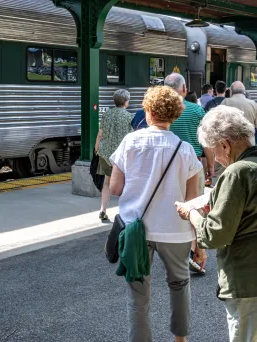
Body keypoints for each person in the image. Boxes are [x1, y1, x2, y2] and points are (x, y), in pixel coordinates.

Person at [110, 86, 203, 342]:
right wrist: (199, 244)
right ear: (174, 115)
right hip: (176, 230)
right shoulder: (185, 149)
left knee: (138, 295)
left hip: (136, 231)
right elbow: (193, 200)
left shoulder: (130, 142)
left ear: (148, 112)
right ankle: (180, 340)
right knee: (180, 285)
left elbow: (116, 187)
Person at [175, 105, 257, 342]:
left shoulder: (237, 173)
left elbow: (215, 234)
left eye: (214, 150)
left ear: (225, 143)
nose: (216, 158)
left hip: (246, 280)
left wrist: (190, 213)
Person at [164, 73, 214, 274]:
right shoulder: (196, 110)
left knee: (173, 205)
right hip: (193, 166)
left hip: (168, 167)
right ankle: (197, 250)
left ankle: (176, 248)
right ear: (184, 89)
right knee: (195, 206)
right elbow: (206, 142)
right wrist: (210, 166)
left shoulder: (161, 112)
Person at [94, 89, 133, 221]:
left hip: (105, 154)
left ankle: (103, 210)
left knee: (107, 182)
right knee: (124, 185)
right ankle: (123, 213)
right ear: (126, 102)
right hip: (121, 157)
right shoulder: (129, 117)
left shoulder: (107, 115)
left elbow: (100, 134)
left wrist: (96, 148)